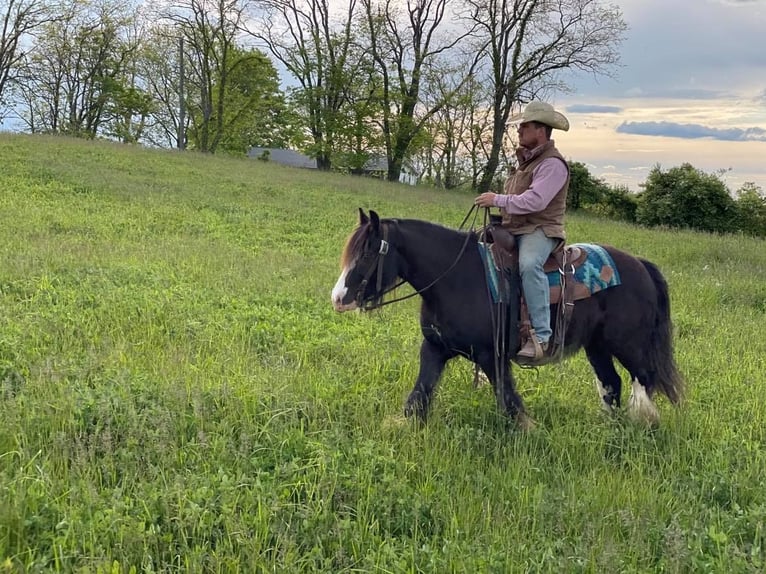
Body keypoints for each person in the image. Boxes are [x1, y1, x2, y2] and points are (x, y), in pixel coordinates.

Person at [474, 101, 571, 361]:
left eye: (524, 126)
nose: (519, 130)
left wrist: (498, 200)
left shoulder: (552, 165)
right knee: (473, 250)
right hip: (514, 227)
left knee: (529, 265)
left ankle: (541, 336)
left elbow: (536, 201)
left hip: (540, 229)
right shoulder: (527, 162)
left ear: (541, 131)